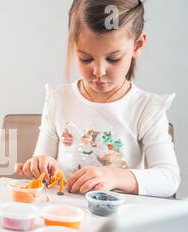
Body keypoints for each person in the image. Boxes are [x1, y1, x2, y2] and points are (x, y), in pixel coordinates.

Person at [16, 0, 180, 197]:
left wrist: (115, 177)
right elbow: (44, 158)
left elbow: (168, 178)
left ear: (138, 45)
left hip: (116, 221)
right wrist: (43, 164)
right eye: (85, 58)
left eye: (113, 59)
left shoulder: (146, 108)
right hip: (65, 216)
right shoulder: (58, 99)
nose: (99, 71)